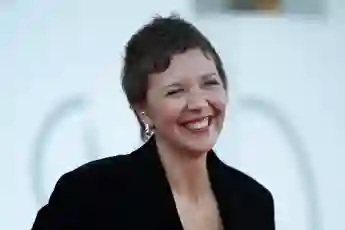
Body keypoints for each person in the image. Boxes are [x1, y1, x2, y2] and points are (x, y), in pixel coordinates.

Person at [31, 15, 275, 230]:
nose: (199, 103)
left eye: (210, 83)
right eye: (176, 91)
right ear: (143, 110)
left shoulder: (254, 201)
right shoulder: (88, 195)